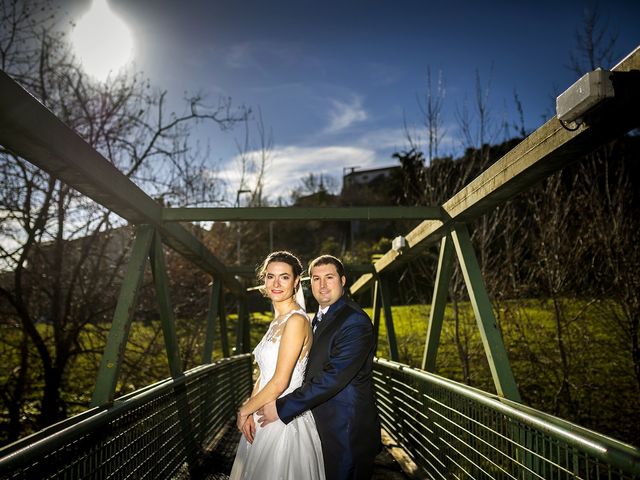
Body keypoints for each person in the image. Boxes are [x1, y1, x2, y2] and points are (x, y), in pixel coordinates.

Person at [258, 254, 381, 480]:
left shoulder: (355, 322)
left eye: (329, 277)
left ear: (343, 281)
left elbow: (333, 377)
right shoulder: (319, 318)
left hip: (345, 431)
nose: (322, 285)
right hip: (320, 427)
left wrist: (283, 406)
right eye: (316, 278)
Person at [230, 251, 325, 480]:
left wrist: (244, 410)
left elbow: (280, 381)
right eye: (270, 276)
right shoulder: (277, 322)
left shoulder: (296, 321)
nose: (276, 283)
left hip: (284, 418)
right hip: (264, 412)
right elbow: (264, 375)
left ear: (295, 282)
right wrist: (251, 409)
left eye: (284, 277)